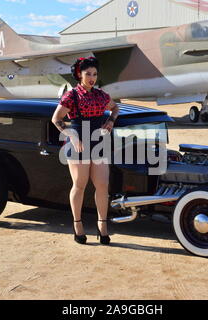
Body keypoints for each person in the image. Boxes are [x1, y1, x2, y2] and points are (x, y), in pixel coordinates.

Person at [52, 56, 120, 245]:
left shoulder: (100, 95)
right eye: (88, 74)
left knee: (102, 186)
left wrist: (110, 121)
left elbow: (115, 109)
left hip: (98, 142)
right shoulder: (72, 95)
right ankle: (78, 225)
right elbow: (56, 119)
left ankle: (102, 226)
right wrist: (72, 136)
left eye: (95, 74)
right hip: (78, 144)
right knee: (80, 185)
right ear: (79, 75)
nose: (92, 77)